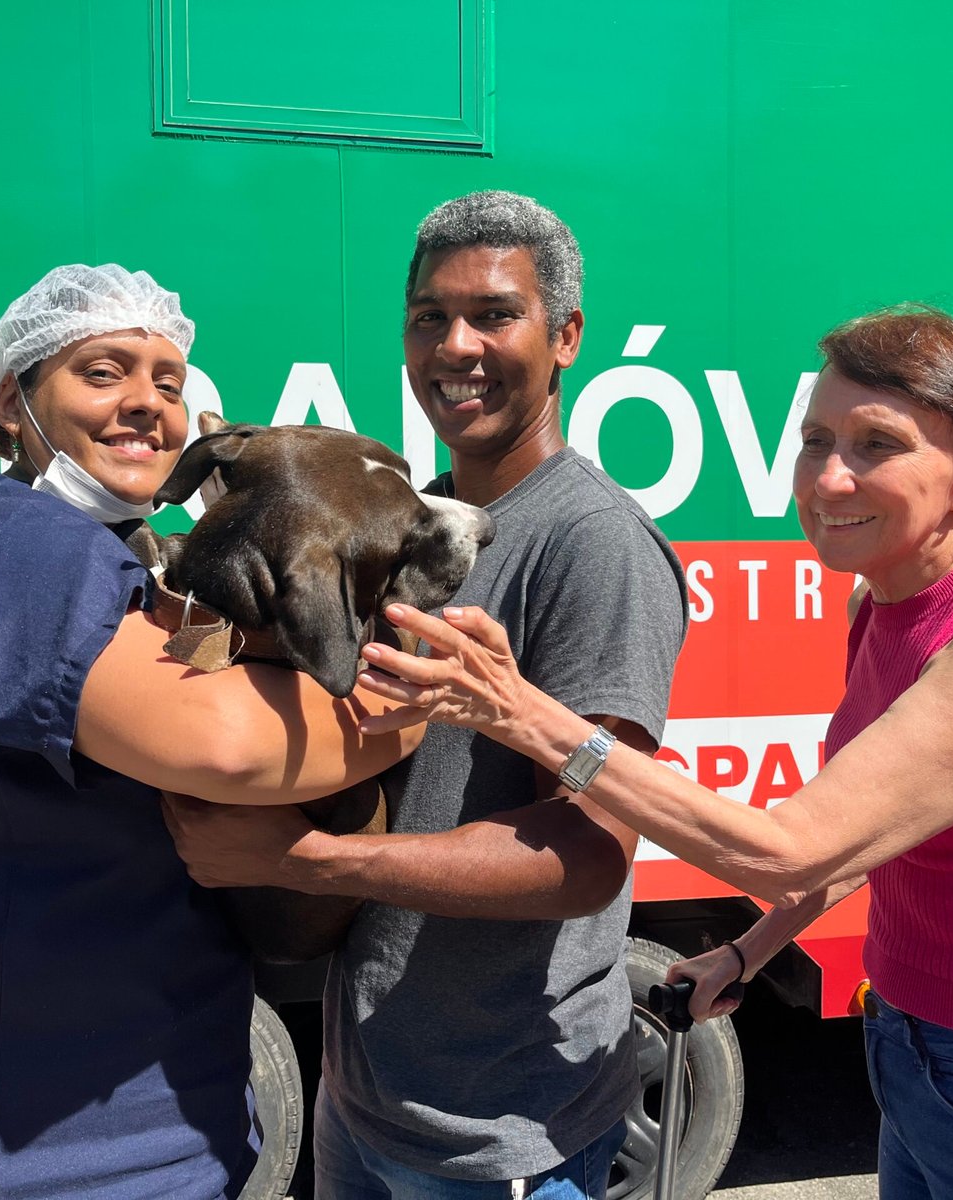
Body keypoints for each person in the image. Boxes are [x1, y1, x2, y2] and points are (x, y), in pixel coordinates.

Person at [356, 306, 953, 1200]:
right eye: (815, 439)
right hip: (915, 1061)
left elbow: (787, 845)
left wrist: (523, 713)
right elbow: (872, 832)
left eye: (878, 444)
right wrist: (749, 952)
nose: (829, 477)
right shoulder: (881, 606)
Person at [0, 264, 419, 1199]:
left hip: (113, 1127)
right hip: (17, 1150)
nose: (147, 406)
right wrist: (417, 706)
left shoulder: (101, 556)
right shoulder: (17, 540)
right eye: (103, 372)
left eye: (169, 384)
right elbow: (226, 745)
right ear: (14, 402)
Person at [166, 191, 689, 1198]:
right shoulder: (399, 519)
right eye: (427, 317)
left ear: (566, 336)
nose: (455, 346)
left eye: (493, 315)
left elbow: (586, 856)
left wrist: (304, 859)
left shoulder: (593, 544)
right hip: (366, 1100)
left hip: (499, 1134)